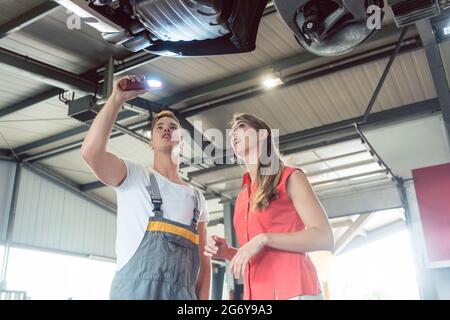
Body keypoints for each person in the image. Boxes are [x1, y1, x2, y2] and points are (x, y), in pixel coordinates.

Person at [81, 75, 211, 300]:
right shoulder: (135, 177)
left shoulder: (197, 199)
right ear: (151, 142)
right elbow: (91, 153)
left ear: (182, 141)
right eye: (159, 127)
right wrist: (116, 100)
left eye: (173, 127)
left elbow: (205, 266)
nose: (166, 129)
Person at [204, 113, 334, 300]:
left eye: (241, 126)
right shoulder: (242, 197)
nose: (233, 133)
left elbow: (325, 238)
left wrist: (263, 239)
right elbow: (257, 254)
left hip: (294, 291)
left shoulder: (290, 177)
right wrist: (227, 252)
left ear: (263, 135)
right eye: (231, 131)